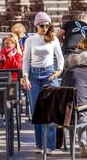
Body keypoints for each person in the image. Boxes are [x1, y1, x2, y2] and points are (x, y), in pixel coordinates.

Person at [22, 12, 64, 154]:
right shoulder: (30, 40)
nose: (44, 28)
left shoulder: (53, 39)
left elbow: (60, 57)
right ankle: (39, 144)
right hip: (33, 75)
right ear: (36, 25)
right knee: (36, 111)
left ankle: (50, 145)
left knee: (50, 110)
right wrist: (26, 77)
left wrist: (58, 71)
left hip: (49, 74)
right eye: (42, 25)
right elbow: (26, 60)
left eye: (47, 25)